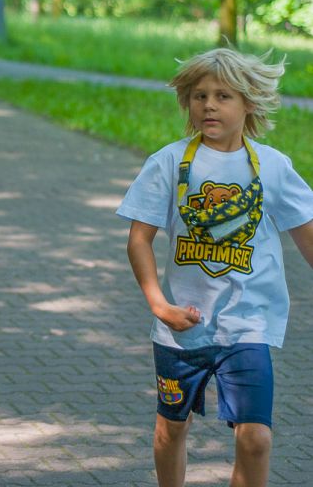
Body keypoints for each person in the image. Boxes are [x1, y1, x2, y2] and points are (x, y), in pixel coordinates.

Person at [117, 48, 313, 487]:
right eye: (199, 95)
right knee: (171, 430)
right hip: (180, 329)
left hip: (248, 327)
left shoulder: (274, 168)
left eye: (223, 95)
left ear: (249, 104)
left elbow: (309, 240)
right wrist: (159, 306)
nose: (209, 105)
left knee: (256, 438)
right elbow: (139, 240)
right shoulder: (168, 162)